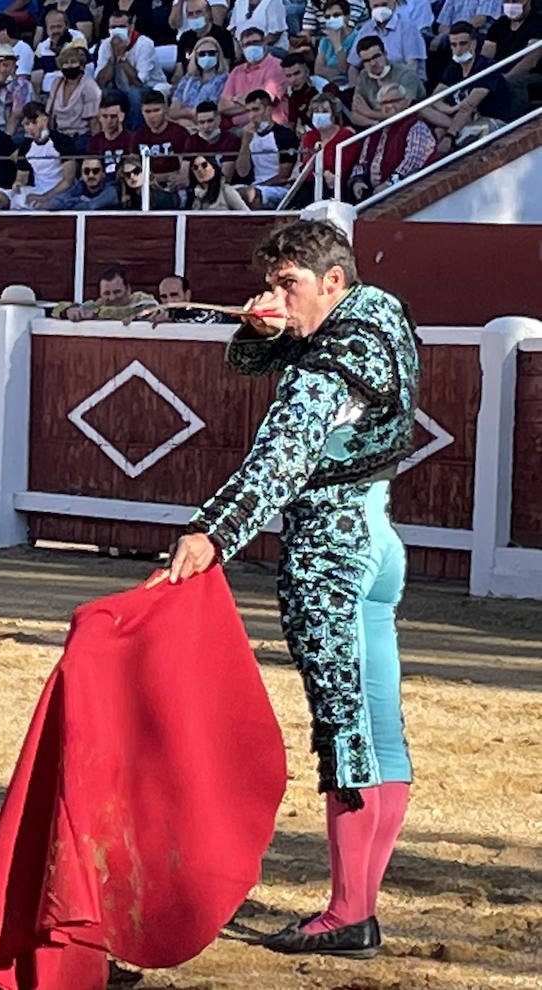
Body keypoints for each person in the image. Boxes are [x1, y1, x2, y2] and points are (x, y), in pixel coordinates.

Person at [168, 220, 419, 962]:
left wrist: (210, 530)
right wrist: (264, 327)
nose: (278, 296)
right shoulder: (385, 313)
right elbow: (264, 357)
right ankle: (358, 907)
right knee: (378, 728)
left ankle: (347, 914)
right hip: (380, 536)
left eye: (290, 285)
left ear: (332, 282)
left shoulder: (324, 369)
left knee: (344, 732)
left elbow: (278, 461)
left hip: (328, 554)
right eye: (272, 284)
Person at [347, 82, 434, 199]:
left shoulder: (416, 126)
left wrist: (388, 184)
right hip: (374, 193)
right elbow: (362, 162)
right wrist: (357, 180)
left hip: (404, 192)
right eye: (383, 103)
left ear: (406, 101)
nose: (388, 106)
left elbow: (413, 161)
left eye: (393, 101)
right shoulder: (375, 130)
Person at [51, 266, 158, 321]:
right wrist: (67, 311)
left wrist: (97, 314)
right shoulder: (99, 304)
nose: (112, 297)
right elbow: (55, 308)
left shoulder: (141, 299)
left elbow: (146, 310)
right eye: (106, 293)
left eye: (117, 292)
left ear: (128, 289)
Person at [170, 34, 231, 126]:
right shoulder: (187, 79)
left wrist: (185, 113)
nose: (206, 57)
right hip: (184, 124)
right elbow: (173, 111)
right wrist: (190, 113)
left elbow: (216, 109)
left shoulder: (225, 78)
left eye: (211, 53)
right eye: (202, 54)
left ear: (218, 55)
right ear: (195, 56)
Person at [154, 273, 229, 321]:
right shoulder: (155, 316)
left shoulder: (211, 315)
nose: (169, 301)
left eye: (174, 295)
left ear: (187, 295)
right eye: (164, 297)